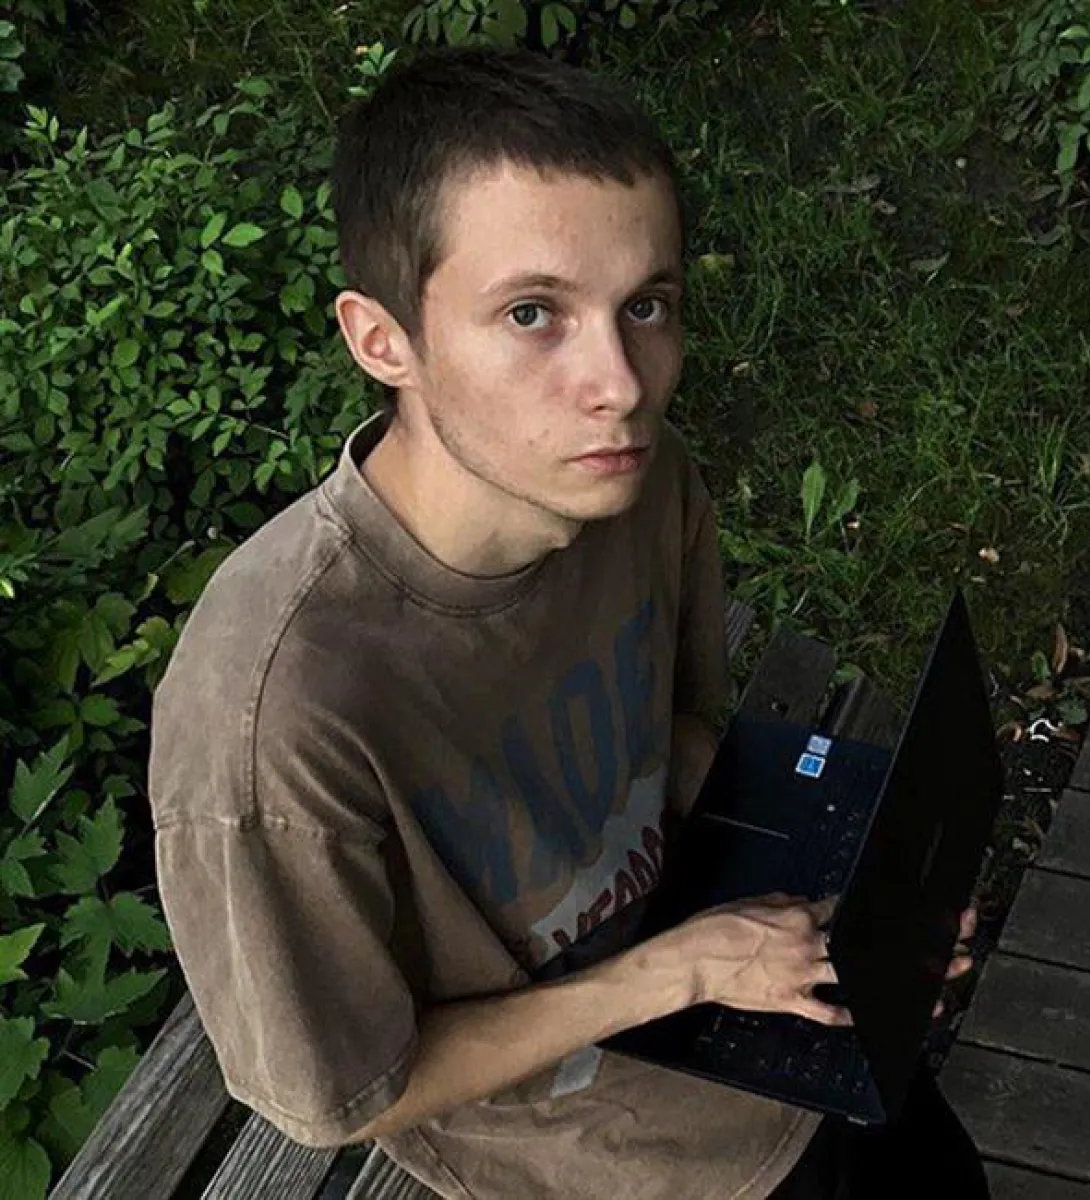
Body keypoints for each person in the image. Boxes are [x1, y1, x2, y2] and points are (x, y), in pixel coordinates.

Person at [148, 45, 989, 1200]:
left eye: (646, 306)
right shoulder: (274, 712)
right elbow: (350, 1093)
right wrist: (681, 973)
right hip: (614, 1161)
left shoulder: (637, 485)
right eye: (533, 313)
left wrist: (867, 893)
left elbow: (679, 742)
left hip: (778, 1020)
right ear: (382, 339)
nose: (623, 384)